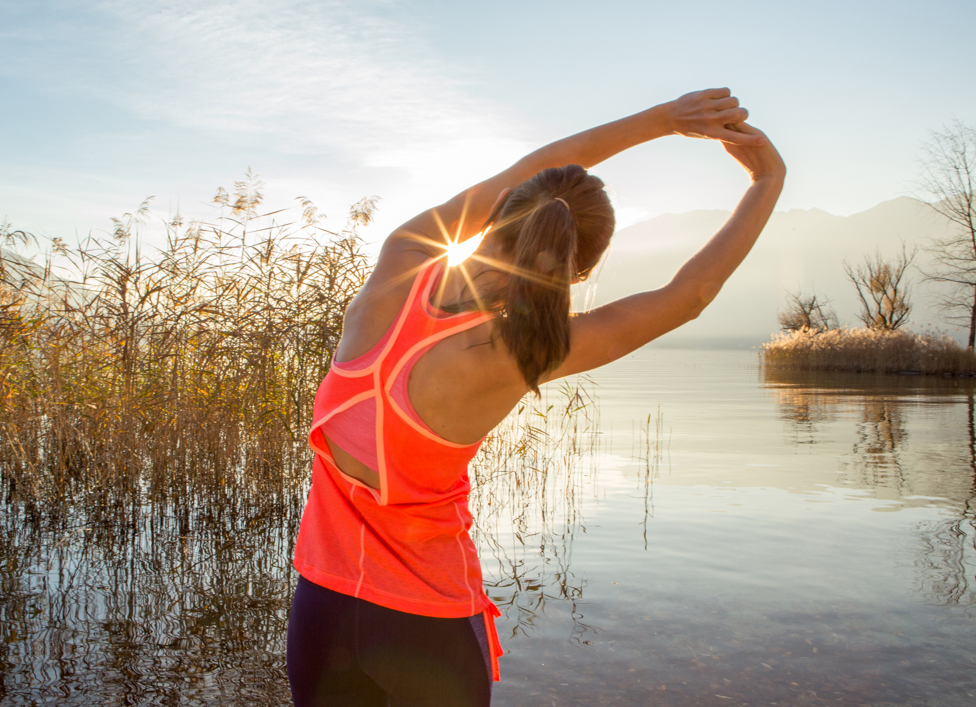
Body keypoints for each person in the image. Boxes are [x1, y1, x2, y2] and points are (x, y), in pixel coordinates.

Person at [287, 88, 785, 707]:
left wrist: (663, 120)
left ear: (500, 216)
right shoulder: (524, 350)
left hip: (322, 613)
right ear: (578, 273)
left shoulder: (402, 259)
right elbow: (690, 295)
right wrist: (768, 180)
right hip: (426, 623)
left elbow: (539, 167)